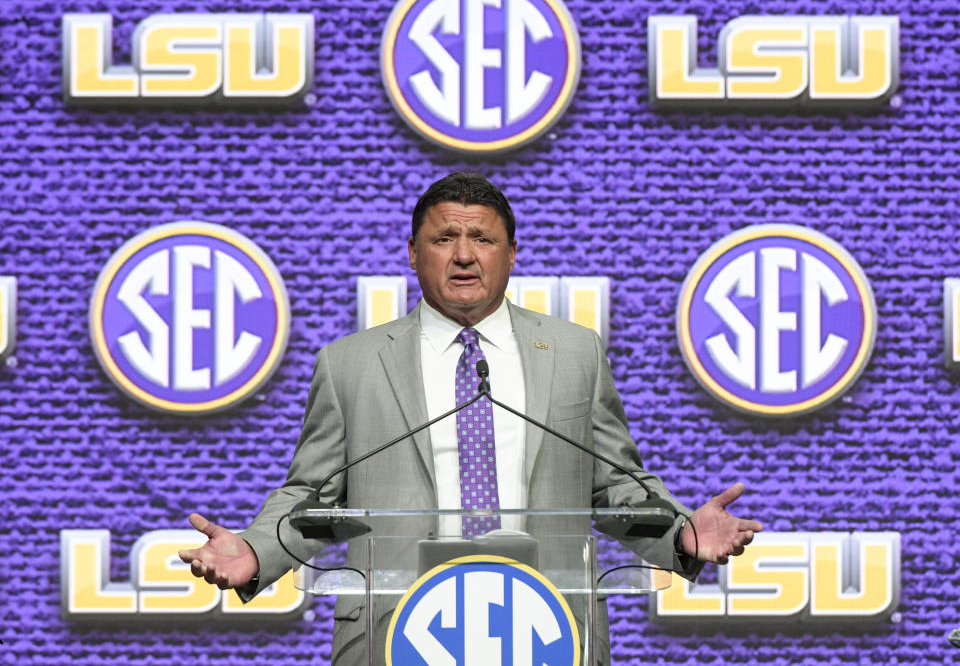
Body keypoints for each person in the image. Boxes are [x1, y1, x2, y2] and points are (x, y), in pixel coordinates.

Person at [179, 172, 762, 664]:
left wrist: (682, 530)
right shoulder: (349, 363)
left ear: (511, 253)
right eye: (444, 238)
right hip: (396, 630)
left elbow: (614, 488)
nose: (463, 254)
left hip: (551, 627)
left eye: (481, 238)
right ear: (412, 252)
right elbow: (312, 496)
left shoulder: (574, 352)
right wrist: (256, 550)